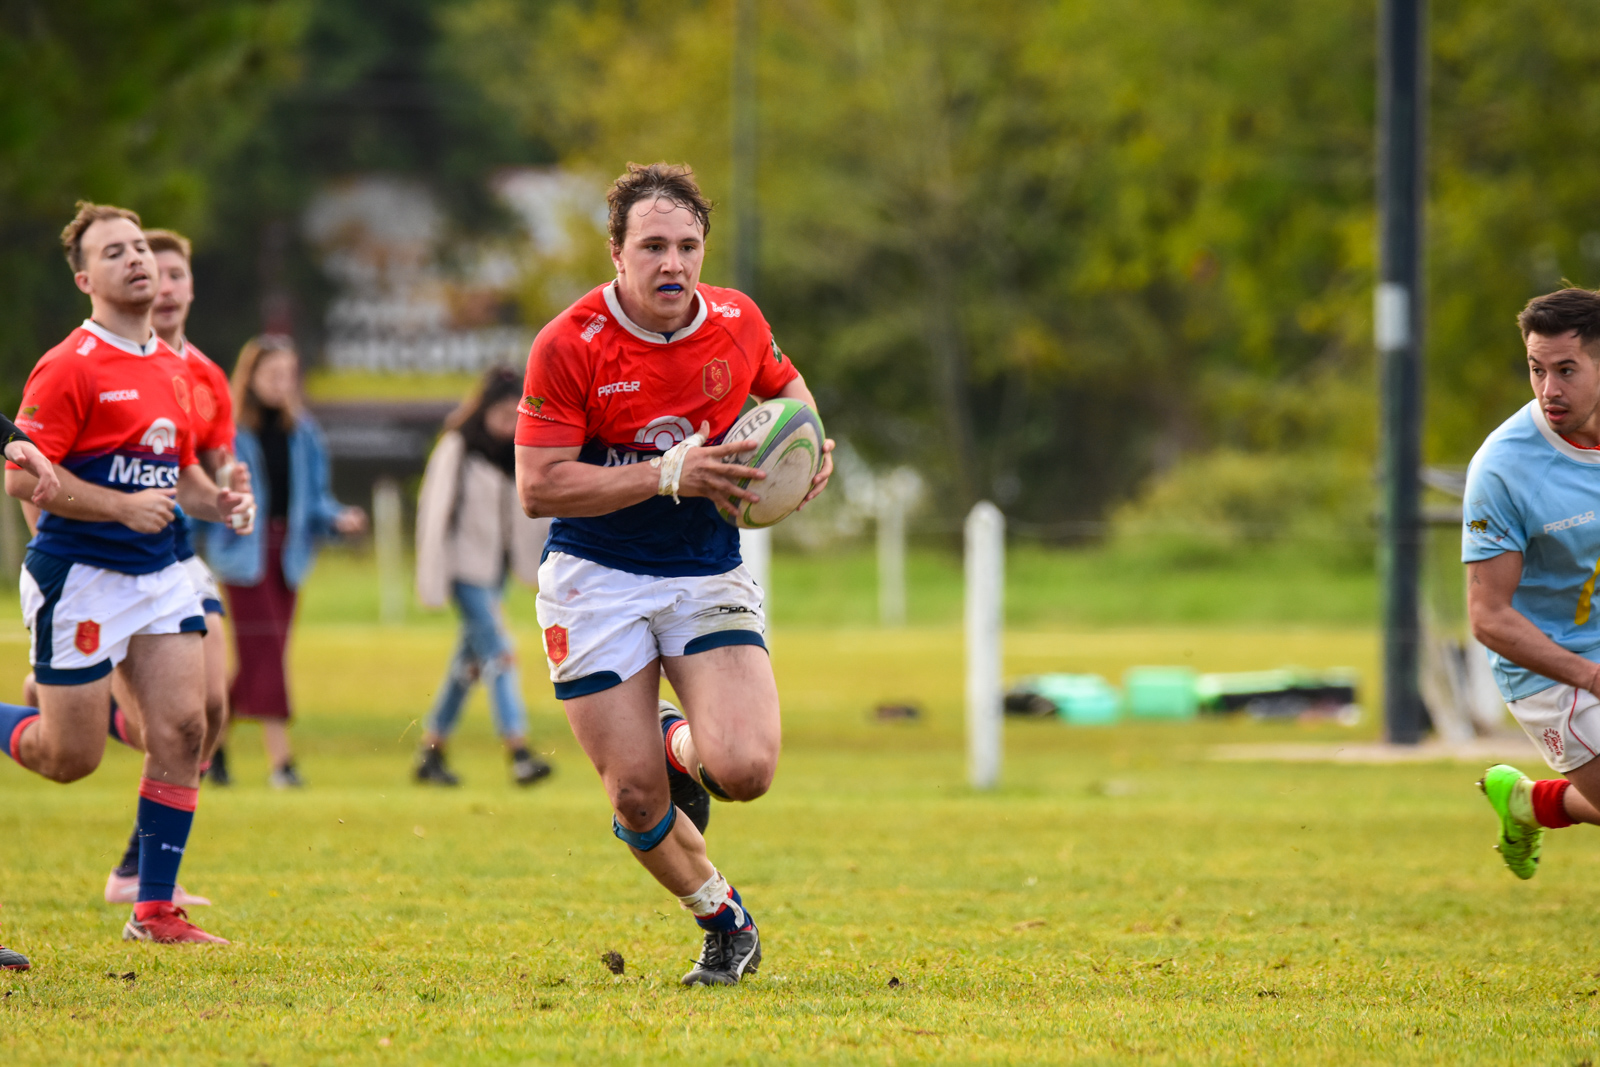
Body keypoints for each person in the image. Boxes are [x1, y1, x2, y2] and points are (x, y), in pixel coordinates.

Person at [515, 163, 833, 986]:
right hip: (596, 575)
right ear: (616, 253)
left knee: (744, 770)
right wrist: (667, 473)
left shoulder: (736, 320)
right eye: (653, 246)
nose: (673, 264)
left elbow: (786, 388)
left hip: (702, 569)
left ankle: (667, 734)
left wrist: (805, 449)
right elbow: (538, 486)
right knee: (636, 801)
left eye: (688, 246)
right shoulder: (568, 344)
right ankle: (723, 920)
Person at [0, 202, 253, 954]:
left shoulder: (177, 367)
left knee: (183, 726)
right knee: (69, 757)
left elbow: (177, 474)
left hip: (159, 575)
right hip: (78, 575)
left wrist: (219, 501)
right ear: (86, 279)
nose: (137, 259)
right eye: (115, 253)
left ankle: (154, 909)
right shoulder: (69, 364)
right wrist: (118, 505)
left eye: (141, 246)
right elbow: (20, 475)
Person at [93, 227, 247, 906]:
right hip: (114, 562)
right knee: (176, 721)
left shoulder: (206, 376)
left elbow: (208, 477)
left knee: (209, 710)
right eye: (153, 269)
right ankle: (142, 871)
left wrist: (230, 498)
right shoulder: (105, 363)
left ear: (186, 285)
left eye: (177, 272)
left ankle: (139, 866)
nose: (164, 283)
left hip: (180, 555)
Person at [1469, 288, 1600, 877]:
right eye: (1536, 369)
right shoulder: (1503, 468)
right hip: (1552, 672)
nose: (1549, 389)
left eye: (1566, 370)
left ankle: (1530, 802)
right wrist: (1593, 676)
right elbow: (1488, 617)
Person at [204, 335, 365, 788]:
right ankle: (282, 764)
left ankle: (209, 752)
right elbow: (211, 499)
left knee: (259, 659)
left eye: (289, 375)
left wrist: (340, 519)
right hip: (242, 557)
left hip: (287, 556)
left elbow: (316, 500)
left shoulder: (305, 432)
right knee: (268, 656)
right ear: (250, 377)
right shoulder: (230, 432)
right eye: (272, 374)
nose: (282, 383)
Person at [413, 367, 554, 787]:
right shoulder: (458, 446)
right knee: (501, 654)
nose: (507, 422)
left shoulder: (515, 451)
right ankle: (519, 751)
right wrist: (433, 580)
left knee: (467, 665)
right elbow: (434, 515)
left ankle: (430, 751)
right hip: (464, 571)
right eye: (499, 411)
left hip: (496, 574)